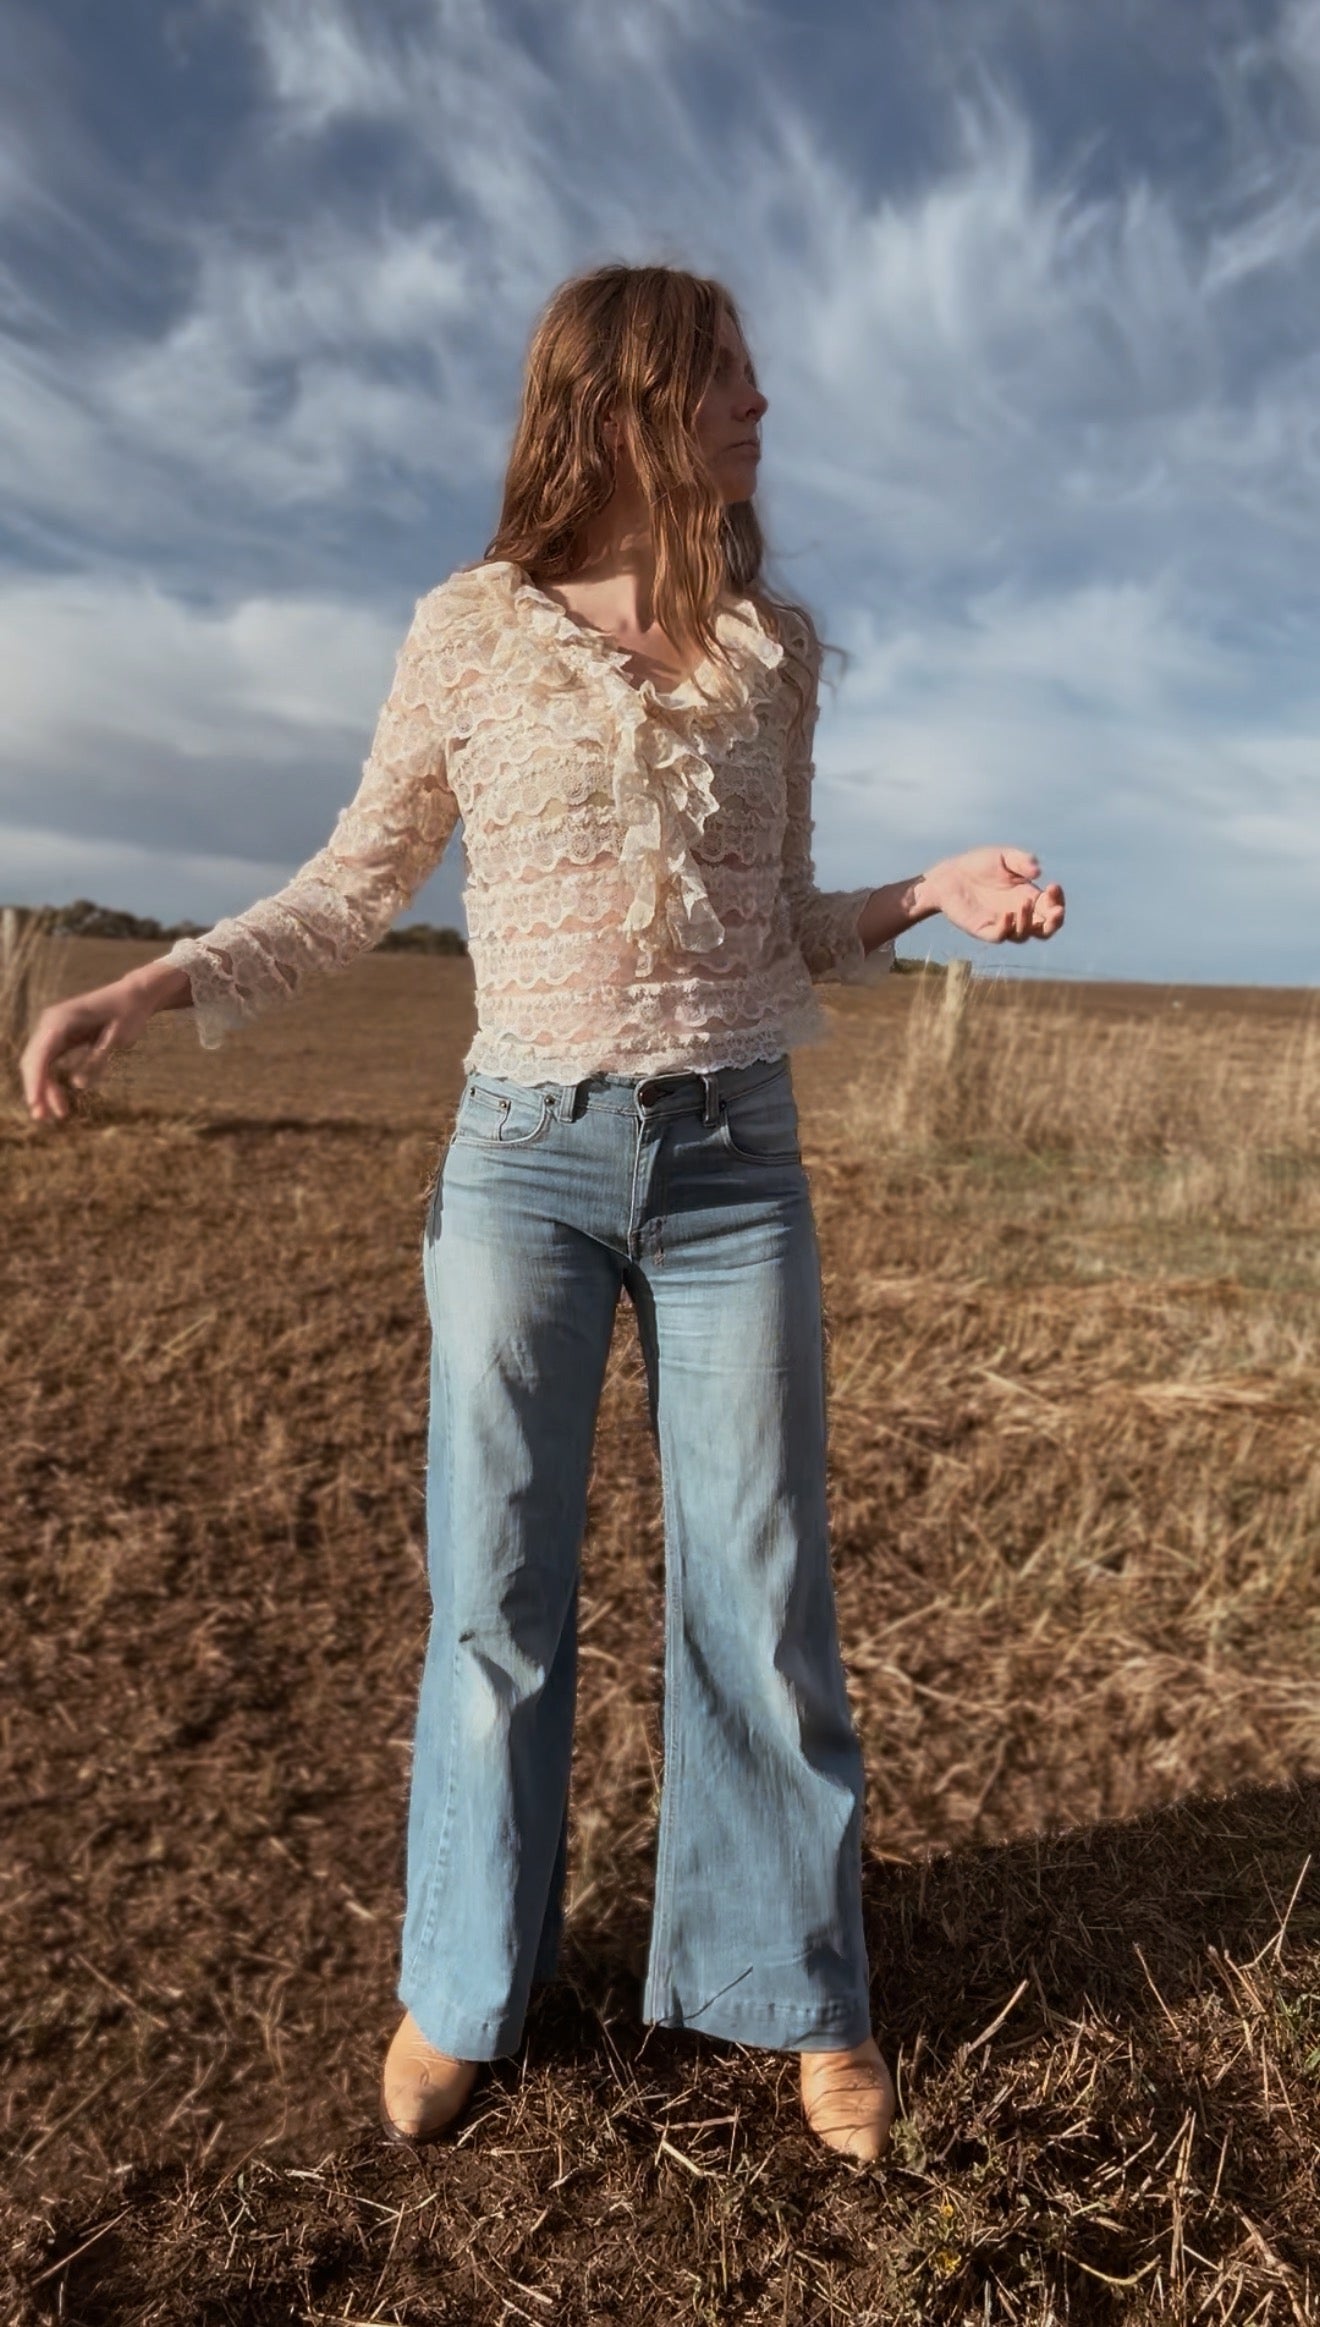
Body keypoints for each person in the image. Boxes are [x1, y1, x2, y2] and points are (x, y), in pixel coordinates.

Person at [21, 261, 1065, 2164]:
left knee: (763, 1583)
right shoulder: (471, 633)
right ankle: (464, 1984)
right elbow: (354, 886)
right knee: (496, 1592)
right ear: (627, 400)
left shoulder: (775, 649)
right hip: (524, 1162)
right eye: (732, 380)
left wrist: (928, 892)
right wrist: (140, 988)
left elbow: (778, 924)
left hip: (737, 1160)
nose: (765, 412)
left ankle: (796, 1989)